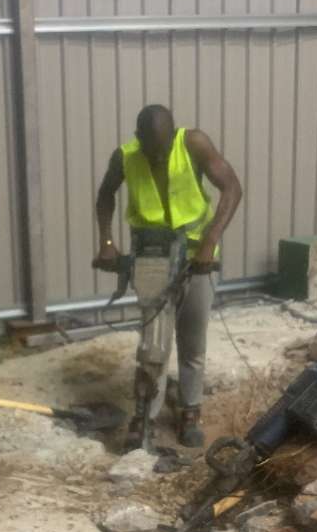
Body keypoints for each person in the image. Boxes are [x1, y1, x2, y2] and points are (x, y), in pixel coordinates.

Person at [94, 104, 242, 449]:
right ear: (138, 138)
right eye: (151, 148)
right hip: (152, 256)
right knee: (152, 346)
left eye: (162, 148)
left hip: (195, 257)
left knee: (193, 342)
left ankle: (190, 410)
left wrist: (210, 242)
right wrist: (107, 242)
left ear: (173, 134)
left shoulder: (194, 143)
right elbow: (105, 195)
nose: (157, 156)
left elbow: (232, 188)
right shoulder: (126, 156)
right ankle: (144, 416)